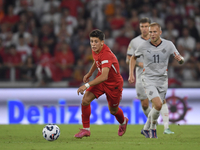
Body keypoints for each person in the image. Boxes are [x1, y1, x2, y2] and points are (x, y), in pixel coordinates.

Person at [128, 22, 184, 138]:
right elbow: (133, 57)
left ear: (160, 32)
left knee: (156, 108)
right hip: (148, 79)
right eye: (150, 32)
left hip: (163, 80)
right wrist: (131, 74)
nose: (152, 34)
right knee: (158, 104)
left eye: (154, 32)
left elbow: (180, 59)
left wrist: (180, 60)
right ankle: (153, 129)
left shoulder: (168, 45)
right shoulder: (144, 45)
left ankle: (146, 128)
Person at [75, 29, 128, 138]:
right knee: (85, 100)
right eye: (91, 41)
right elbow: (96, 60)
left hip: (114, 84)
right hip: (101, 81)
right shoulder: (96, 50)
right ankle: (86, 130)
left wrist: (86, 85)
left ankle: (123, 122)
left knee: (113, 110)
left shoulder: (106, 54)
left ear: (102, 42)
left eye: (96, 41)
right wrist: (90, 73)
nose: (93, 44)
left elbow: (104, 76)